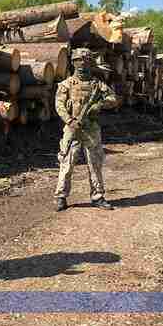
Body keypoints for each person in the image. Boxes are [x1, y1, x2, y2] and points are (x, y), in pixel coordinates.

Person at [54, 48, 119, 212]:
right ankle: (61, 197)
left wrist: (99, 105)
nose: (81, 64)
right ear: (73, 62)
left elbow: (113, 98)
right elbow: (59, 105)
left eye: (85, 61)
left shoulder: (97, 84)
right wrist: (69, 120)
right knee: (66, 164)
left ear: (90, 63)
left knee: (95, 164)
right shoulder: (66, 84)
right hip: (72, 129)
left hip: (91, 130)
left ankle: (98, 196)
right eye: (77, 61)